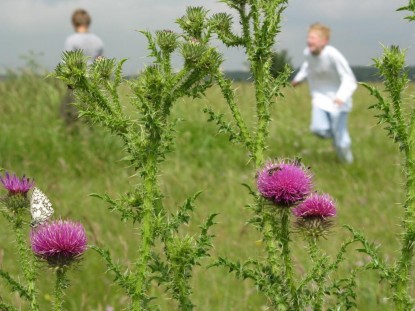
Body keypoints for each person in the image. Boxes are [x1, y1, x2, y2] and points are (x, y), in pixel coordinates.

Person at [291, 23, 357, 163]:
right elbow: (306, 67)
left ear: (324, 41)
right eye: (308, 37)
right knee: (318, 129)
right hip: (319, 99)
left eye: (313, 37)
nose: (309, 40)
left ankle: (348, 163)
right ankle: (337, 137)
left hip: (338, 101)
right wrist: (297, 80)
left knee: (341, 141)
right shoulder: (307, 53)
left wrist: (341, 97)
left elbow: (348, 77)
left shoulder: (332, 54)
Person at [61, 8, 104, 126]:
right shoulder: (98, 41)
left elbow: (67, 63)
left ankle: (74, 139)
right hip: (94, 82)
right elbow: (101, 63)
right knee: (92, 116)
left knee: (71, 115)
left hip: (77, 83)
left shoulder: (71, 40)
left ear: (74, 23)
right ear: (89, 22)